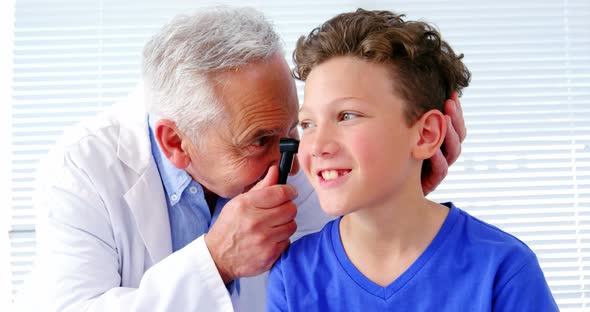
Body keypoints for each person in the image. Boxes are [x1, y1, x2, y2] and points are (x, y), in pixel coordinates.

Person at [18, 7, 466, 312]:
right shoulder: (84, 169)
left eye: (296, 128)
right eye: (260, 141)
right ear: (175, 142)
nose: (296, 157)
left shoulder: (295, 153)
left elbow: (343, 278)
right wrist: (217, 260)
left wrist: (392, 192)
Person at [266, 8, 558, 311]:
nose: (317, 146)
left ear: (425, 135)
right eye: (308, 124)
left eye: (347, 116)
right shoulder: (293, 276)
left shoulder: (503, 270)